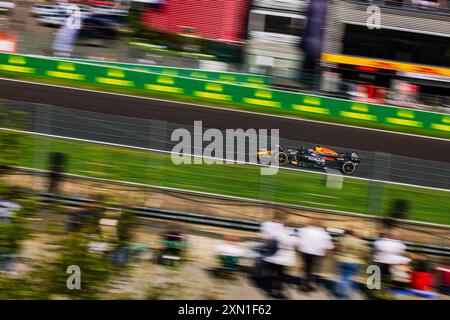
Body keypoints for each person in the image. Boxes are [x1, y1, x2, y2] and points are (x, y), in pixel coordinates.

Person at [296, 219, 334, 292]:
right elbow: (329, 246)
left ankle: (304, 283)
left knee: (306, 268)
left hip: (305, 251)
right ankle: (307, 283)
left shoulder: (305, 230)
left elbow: (298, 240)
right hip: (316, 253)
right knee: (311, 269)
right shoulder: (323, 233)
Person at [334, 229, 369, 299]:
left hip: (343, 260)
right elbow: (364, 254)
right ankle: (346, 294)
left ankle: (341, 294)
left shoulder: (343, 239)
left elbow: (338, 249)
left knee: (343, 278)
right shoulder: (361, 242)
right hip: (355, 262)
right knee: (350, 278)